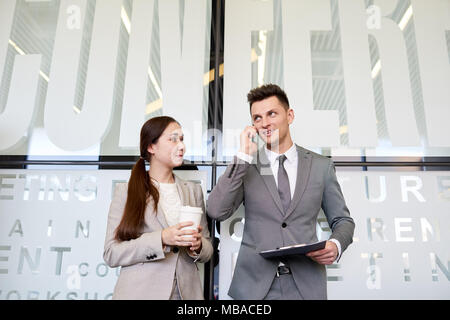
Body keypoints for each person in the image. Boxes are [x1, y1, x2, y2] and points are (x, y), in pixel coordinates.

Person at [207, 84, 355, 300]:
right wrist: (242, 158)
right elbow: (216, 210)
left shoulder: (320, 166)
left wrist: (336, 244)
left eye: (271, 114)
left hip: (306, 287)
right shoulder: (248, 165)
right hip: (254, 290)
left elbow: (343, 220)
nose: (265, 123)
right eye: (257, 118)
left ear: (290, 115)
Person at [103, 116, 213, 300]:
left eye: (182, 139)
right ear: (151, 147)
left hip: (186, 294)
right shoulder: (127, 191)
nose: (181, 146)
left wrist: (199, 245)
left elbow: (207, 249)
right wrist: (162, 238)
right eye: (173, 139)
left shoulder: (193, 191)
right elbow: (111, 253)